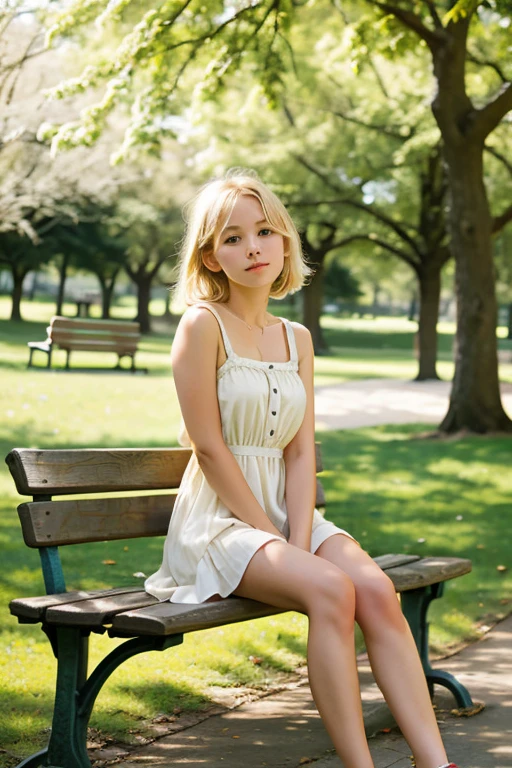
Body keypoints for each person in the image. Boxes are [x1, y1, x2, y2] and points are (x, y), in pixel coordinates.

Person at [144, 171, 459, 768]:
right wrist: (270, 533)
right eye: (233, 238)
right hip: (219, 522)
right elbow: (209, 448)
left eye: (265, 231)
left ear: (285, 241)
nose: (253, 247)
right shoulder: (202, 326)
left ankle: (434, 763)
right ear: (211, 256)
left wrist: (297, 533)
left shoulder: (297, 338)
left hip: (289, 516)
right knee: (332, 589)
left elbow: (298, 449)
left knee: (376, 590)